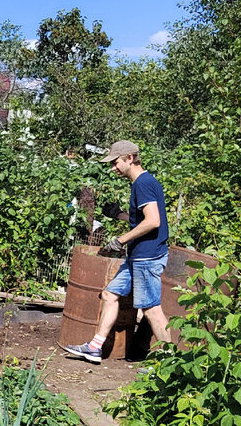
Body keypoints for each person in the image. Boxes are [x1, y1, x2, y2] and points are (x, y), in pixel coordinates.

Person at [62, 140, 170, 364]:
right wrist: (119, 215)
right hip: (137, 256)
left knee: (151, 309)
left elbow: (153, 221)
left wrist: (119, 241)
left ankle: (170, 364)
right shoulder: (141, 183)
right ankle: (94, 348)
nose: (113, 168)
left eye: (116, 162)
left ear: (129, 158)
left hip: (148, 257)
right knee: (110, 295)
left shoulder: (143, 183)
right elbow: (142, 219)